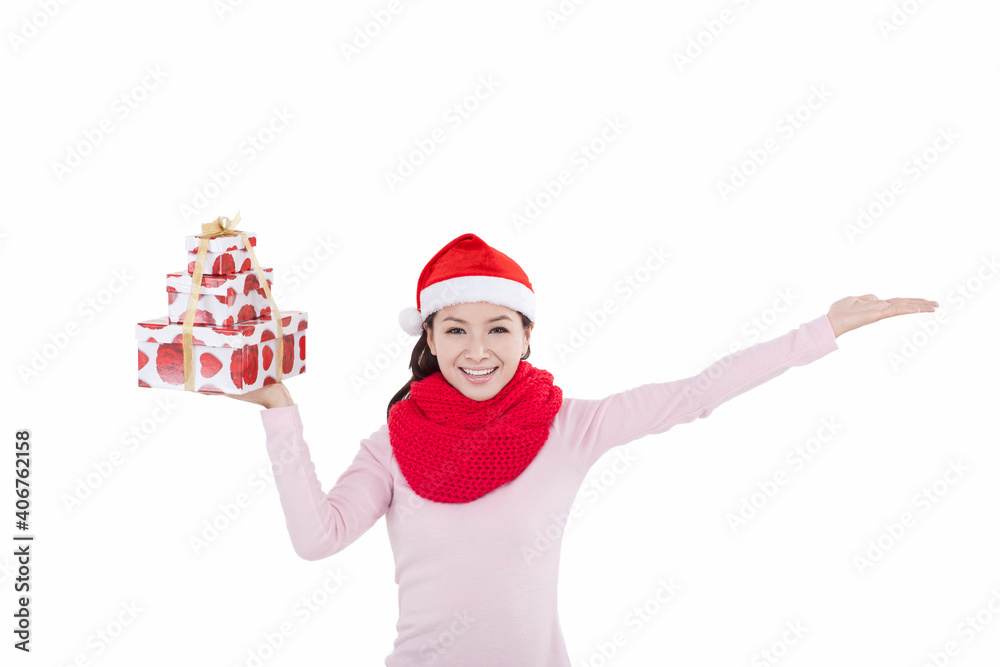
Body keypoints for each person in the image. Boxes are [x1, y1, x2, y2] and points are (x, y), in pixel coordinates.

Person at [225, 232, 938, 666]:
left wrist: (821, 331)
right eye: (456, 331)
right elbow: (316, 540)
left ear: (527, 335)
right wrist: (278, 413)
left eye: (499, 329)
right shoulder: (390, 447)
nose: (478, 350)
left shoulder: (568, 426)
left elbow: (695, 393)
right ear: (429, 340)